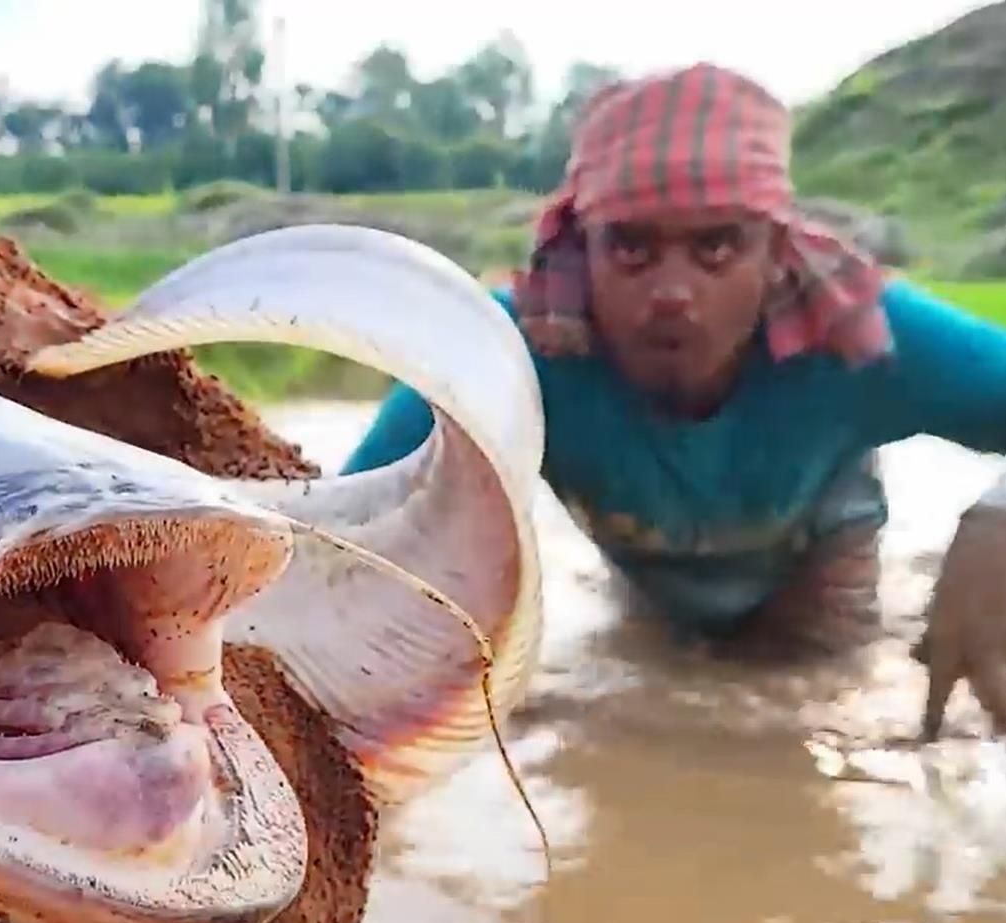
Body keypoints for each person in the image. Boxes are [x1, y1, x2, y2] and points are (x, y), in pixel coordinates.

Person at [342, 62, 1006, 656]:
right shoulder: (510, 354)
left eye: (717, 248)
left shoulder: (860, 335)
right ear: (581, 249)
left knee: (805, 708)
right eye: (630, 249)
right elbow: (333, 532)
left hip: (816, 569)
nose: (670, 294)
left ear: (775, 255)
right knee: (647, 692)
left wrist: (992, 522)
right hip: (650, 580)